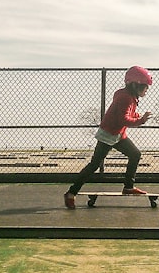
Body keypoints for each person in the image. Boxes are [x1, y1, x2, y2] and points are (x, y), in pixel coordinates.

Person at [64, 66, 153, 209]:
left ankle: (128, 187)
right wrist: (141, 120)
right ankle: (71, 193)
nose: (147, 90)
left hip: (117, 134)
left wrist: (138, 116)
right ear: (135, 84)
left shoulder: (128, 96)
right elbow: (124, 119)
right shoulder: (126, 98)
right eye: (145, 87)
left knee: (135, 154)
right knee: (94, 165)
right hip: (108, 134)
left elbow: (128, 114)